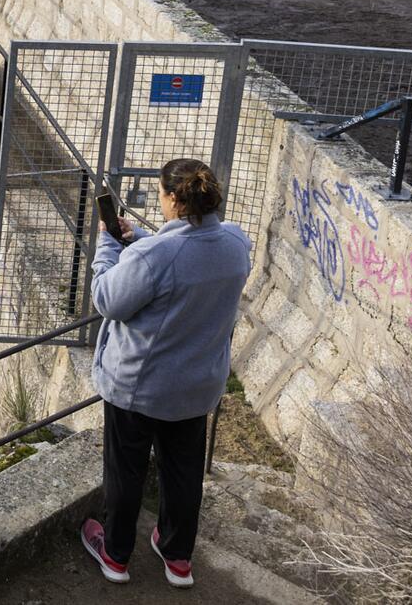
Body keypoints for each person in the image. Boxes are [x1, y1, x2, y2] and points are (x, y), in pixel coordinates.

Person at [80, 157, 252, 590]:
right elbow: (187, 255)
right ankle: (177, 557)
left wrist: (109, 244)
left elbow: (107, 298)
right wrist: (137, 239)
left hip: (140, 386)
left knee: (126, 471)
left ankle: (115, 556)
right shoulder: (236, 243)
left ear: (174, 198)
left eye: (160, 194)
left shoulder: (153, 255)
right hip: (197, 387)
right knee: (183, 473)